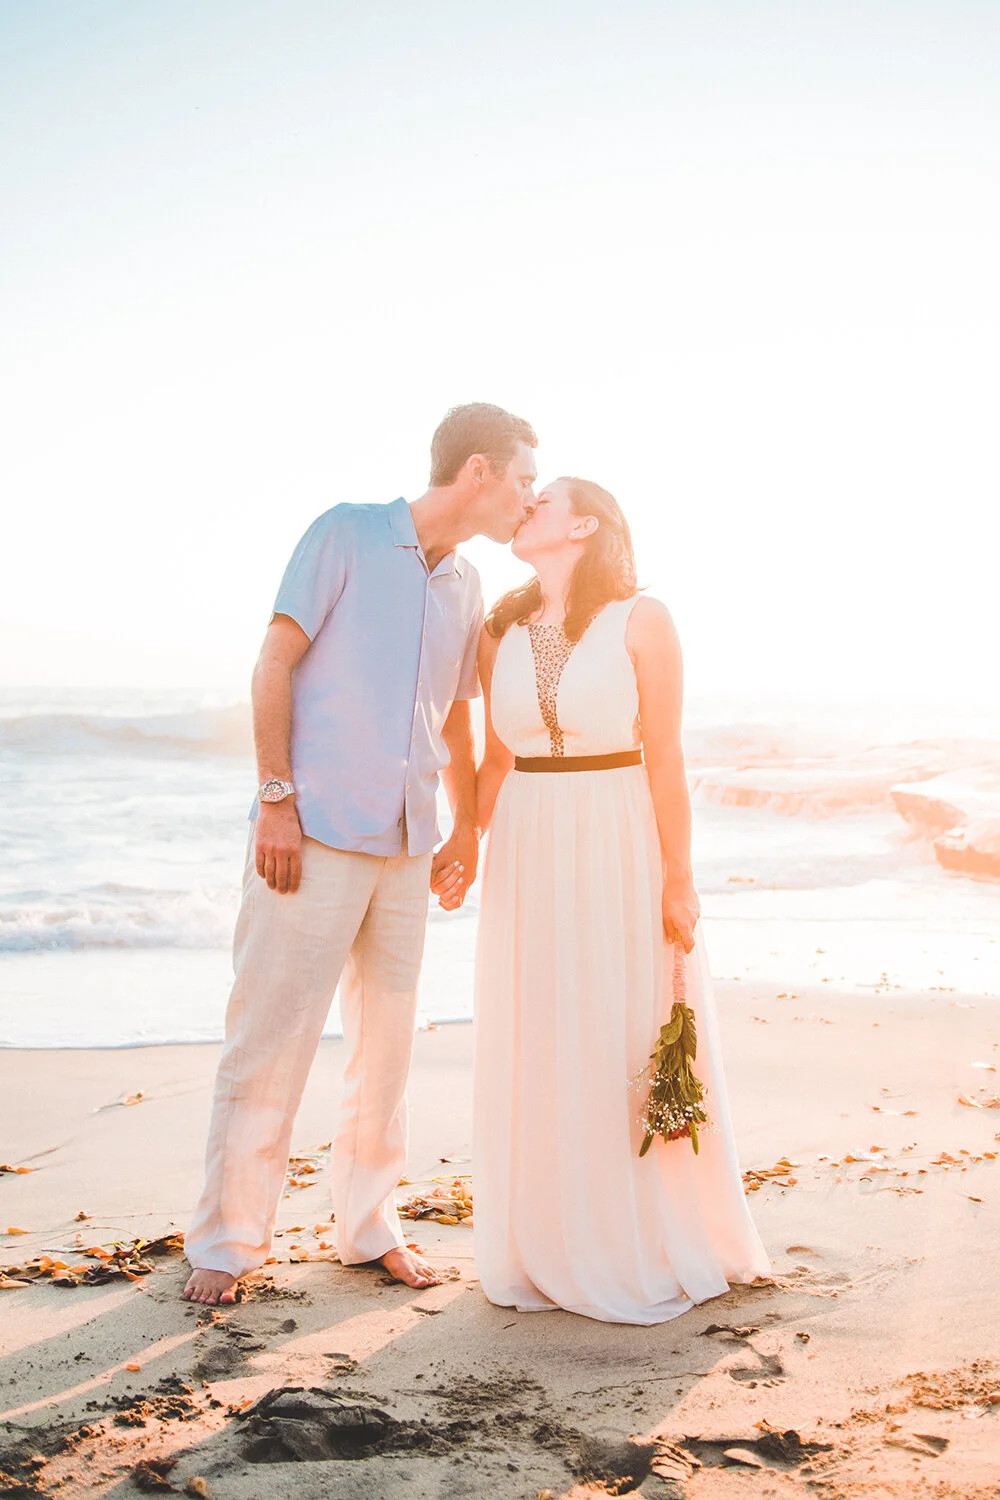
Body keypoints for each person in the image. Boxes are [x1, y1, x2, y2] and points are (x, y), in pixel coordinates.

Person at [182, 403, 538, 1305]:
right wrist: (275, 799)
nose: (528, 500)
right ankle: (227, 1239)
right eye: (524, 480)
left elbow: (455, 721)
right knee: (270, 1041)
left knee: (386, 1054)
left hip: (408, 847)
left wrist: (467, 828)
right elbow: (272, 664)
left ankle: (369, 1227)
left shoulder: (465, 585)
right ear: (479, 471)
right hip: (312, 834)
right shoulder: (345, 533)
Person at [473, 477, 769, 1324]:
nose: (526, 505)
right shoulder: (498, 629)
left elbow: (666, 756)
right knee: (542, 1029)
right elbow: (496, 758)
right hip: (526, 843)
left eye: (543, 498)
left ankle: (635, 1237)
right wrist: (464, 840)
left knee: (618, 1023)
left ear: (584, 525)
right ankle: (549, 1237)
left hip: (618, 835)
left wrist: (679, 875)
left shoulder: (644, 619)